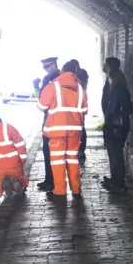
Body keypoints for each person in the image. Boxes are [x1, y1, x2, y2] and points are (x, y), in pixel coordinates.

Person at [37, 61, 88, 197]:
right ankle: (76, 189)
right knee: (72, 158)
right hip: (75, 131)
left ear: (62, 71)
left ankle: (59, 190)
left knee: (58, 160)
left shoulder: (53, 86)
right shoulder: (80, 88)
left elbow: (41, 106)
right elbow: (84, 110)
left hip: (56, 131)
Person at [102, 68, 133, 193]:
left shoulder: (116, 91)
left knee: (116, 155)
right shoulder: (123, 89)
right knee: (116, 154)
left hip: (116, 127)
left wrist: (109, 122)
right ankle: (115, 180)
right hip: (121, 126)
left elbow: (113, 110)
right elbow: (130, 109)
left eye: (109, 78)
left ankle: (118, 183)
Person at [36, 57, 61, 191]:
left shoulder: (48, 80)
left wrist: (36, 87)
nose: (46, 70)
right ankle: (55, 181)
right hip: (63, 121)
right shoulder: (64, 78)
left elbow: (41, 102)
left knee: (48, 151)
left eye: (47, 67)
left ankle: (50, 181)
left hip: (51, 121)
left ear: (53, 65)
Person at [68, 59, 89, 161]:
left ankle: (81, 150)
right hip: (73, 105)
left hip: (79, 105)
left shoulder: (82, 74)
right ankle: (76, 149)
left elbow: (82, 87)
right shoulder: (76, 75)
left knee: (81, 128)